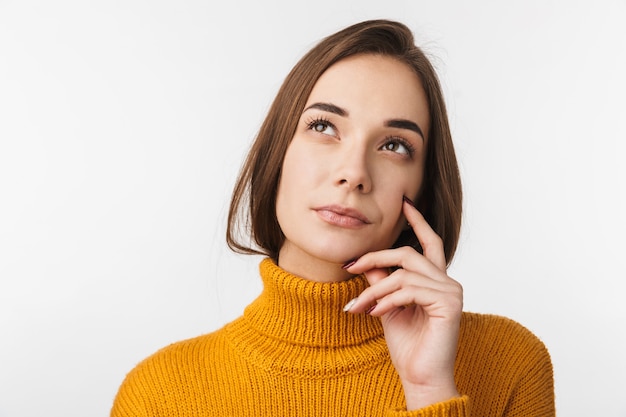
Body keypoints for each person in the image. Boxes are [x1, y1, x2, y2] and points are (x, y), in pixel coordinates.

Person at [111, 19, 555, 416]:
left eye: (394, 145)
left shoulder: (509, 363)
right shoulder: (160, 394)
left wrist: (429, 390)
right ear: (276, 153)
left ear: (421, 190)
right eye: (324, 127)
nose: (354, 173)